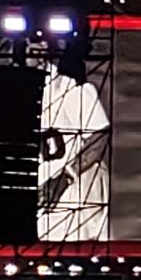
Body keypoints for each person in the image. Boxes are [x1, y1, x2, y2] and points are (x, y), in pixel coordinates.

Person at [37, 51, 111, 242]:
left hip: (72, 190)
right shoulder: (12, 92)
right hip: (42, 195)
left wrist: (66, 176)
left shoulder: (68, 86)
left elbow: (99, 135)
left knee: (76, 250)